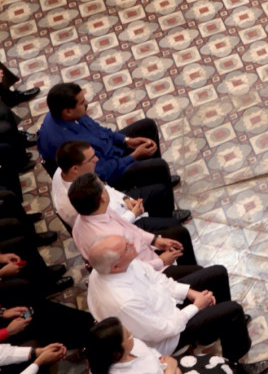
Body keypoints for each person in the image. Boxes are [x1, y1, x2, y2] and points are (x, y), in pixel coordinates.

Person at [85, 237, 268, 374]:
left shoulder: (116, 265)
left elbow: (158, 280)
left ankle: (213, 332)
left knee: (218, 273)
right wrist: (196, 307)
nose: (132, 243)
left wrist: (190, 293)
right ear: (115, 266)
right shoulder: (123, 302)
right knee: (233, 310)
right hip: (168, 335)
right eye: (127, 247)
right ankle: (238, 364)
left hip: (167, 306)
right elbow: (163, 330)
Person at [37, 81, 176, 195]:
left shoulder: (68, 113)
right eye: (82, 102)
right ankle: (165, 205)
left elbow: (99, 130)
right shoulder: (67, 145)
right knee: (160, 166)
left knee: (148, 126)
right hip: (109, 173)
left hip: (107, 151)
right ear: (68, 111)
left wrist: (126, 141)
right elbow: (101, 172)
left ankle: (153, 178)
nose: (86, 103)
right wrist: (134, 156)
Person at [53, 140, 189, 232]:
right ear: (75, 169)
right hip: (125, 227)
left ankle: (166, 217)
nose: (97, 159)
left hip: (120, 206)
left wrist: (125, 198)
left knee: (160, 191)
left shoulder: (69, 170)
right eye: (91, 159)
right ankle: (166, 228)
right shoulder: (77, 203)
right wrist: (133, 214)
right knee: (177, 229)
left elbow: (104, 186)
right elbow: (108, 229)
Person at [68, 174, 196, 271]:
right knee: (200, 275)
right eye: (104, 188)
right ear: (102, 198)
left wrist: (155, 240)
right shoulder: (106, 240)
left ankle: (188, 269)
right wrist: (161, 262)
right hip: (149, 272)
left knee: (180, 233)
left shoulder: (94, 212)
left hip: (144, 249)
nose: (107, 189)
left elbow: (130, 228)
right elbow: (128, 270)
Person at [84, 317, 236, 374]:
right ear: (116, 352)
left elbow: (153, 353)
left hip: (168, 367)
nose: (131, 333)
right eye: (128, 335)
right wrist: (171, 368)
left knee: (215, 361)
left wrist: (169, 365)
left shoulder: (131, 347)